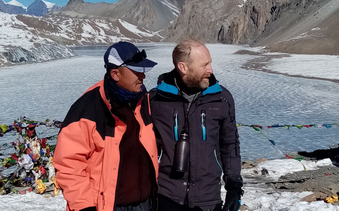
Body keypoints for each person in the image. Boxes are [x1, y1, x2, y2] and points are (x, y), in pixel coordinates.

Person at [53, 41, 159, 211]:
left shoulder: (143, 100)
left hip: (145, 204)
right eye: (137, 71)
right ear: (116, 74)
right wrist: (85, 206)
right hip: (107, 206)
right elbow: (68, 164)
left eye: (143, 70)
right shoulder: (87, 108)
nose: (143, 76)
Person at [150, 39, 243, 211]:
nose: (211, 70)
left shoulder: (221, 98)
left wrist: (234, 187)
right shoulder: (156, 100)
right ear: (183, 67)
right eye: (205, 65)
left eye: (210, 64)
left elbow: (229, 144)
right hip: (166, 196)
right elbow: (146, 149)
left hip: (207, 199)